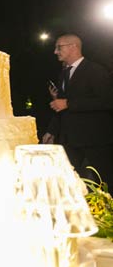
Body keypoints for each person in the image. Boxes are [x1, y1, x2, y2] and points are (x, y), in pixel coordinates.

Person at [42, 33, 113, 185]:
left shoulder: (95, 70)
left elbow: (107, 101)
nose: (55, 52)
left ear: (73, 47)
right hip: (69, 140)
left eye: (59, 47)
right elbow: (61, 105)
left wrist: (69, 103)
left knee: (104, 181)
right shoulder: (64, 74)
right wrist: (52, 131)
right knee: (69, 182)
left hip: (94, 140)